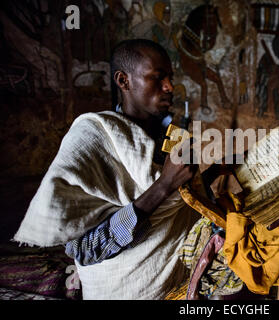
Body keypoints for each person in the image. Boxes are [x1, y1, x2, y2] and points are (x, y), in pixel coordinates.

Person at [14, 39, 200, 299]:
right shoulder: (93, 137)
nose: (169, 87)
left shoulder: (168, 139)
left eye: (170, 78)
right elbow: (87, 250)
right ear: (123, 81)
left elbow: (188, 212)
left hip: (178, 290)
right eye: (157, 78)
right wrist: (164, 185)